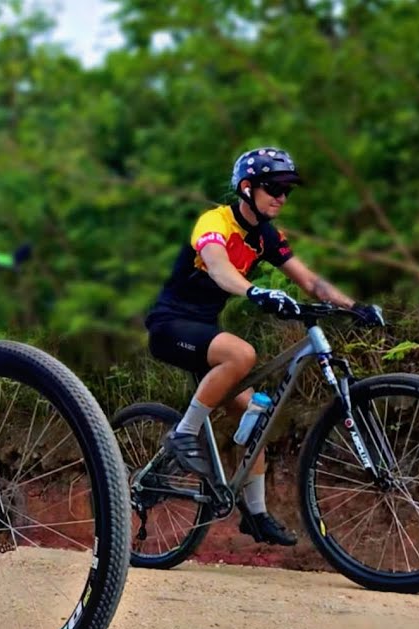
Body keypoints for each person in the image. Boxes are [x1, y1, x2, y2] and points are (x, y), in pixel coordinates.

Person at [143, 146, 384, 546]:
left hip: (205, 336)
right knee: (243, 353)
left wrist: (353, 306)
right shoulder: (215, 222)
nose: (282, 197)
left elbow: (310, 281)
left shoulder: (267, 236)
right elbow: (219, 268)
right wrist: (255, 291)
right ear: (247, 187)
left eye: (288, 190)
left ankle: (254, 515)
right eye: (274, 188)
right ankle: (182, 434)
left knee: (260, 417)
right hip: (171, 327)